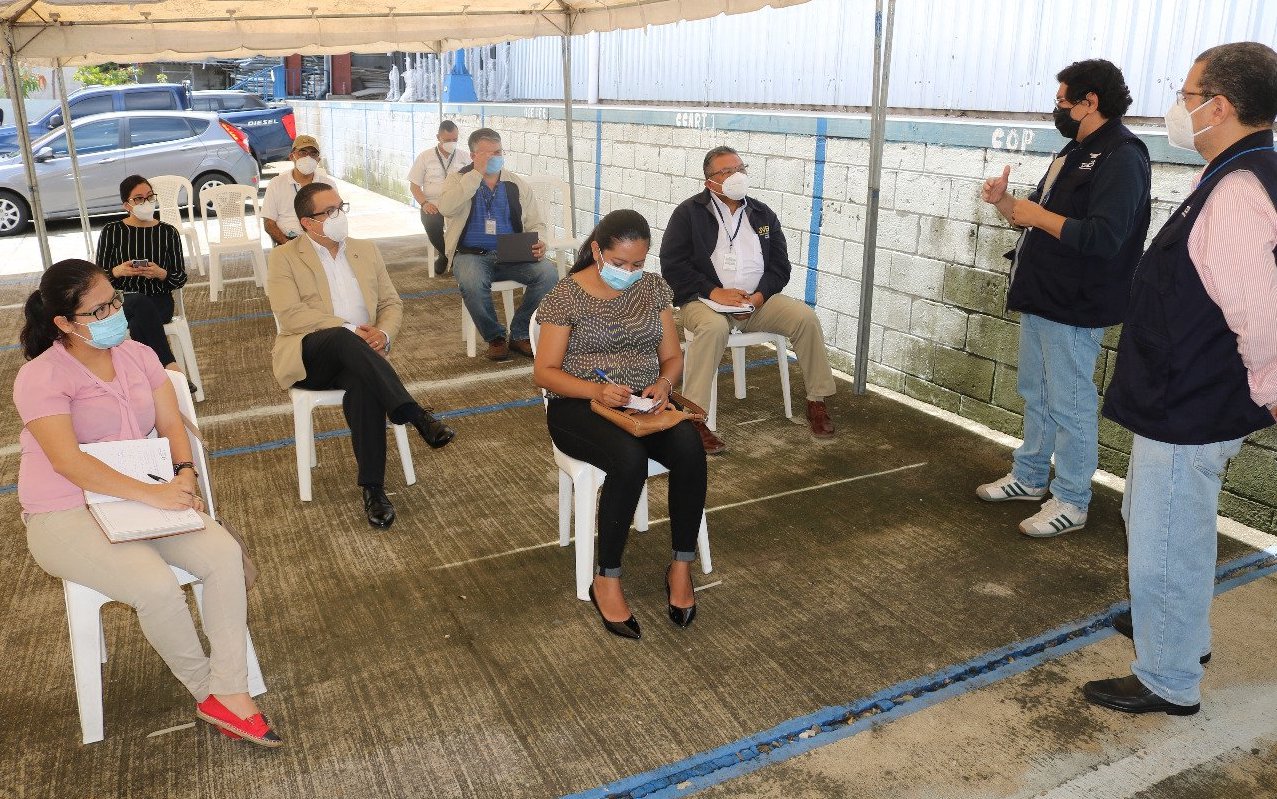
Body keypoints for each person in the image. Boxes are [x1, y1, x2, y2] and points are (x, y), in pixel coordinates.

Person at [1082, 42, 1277, 717]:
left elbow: (1259, 313)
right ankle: (1174, 630)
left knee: (1166, 535)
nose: (1178, 105)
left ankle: (1167, 676)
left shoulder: (1239, 189)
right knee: (1160, 519)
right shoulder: (1239, 172)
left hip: (1192, 398)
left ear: (1218, 107)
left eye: (1187, 94)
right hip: (1185, 391)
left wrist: (1270, 390)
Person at [14, 259, 282, 747]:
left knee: (223, 555)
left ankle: (231, 688)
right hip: (64, 510)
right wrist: (156, 495)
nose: (115, 313)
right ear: (64, 324)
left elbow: (172, 425)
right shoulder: (41, 376)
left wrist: (184, 476)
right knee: (156, 587)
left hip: (141, 498)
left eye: (114, 300)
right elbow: (68, 463)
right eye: (99, 310)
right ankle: (208, 692)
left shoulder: (137, 354)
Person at [977, 59, 1151, 538]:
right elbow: (1035, 217)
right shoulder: (1073, 152)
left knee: (1070, 403)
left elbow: (1105, 237)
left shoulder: (1123, 155)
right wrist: (1006, 202)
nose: (1056, 109)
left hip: (1077, 304)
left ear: (1089, 102)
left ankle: (1072, 499)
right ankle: (1031, 476)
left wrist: (1035, 214)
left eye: (1062, 101)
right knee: (1036, 392)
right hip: (1043, 295)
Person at [533, 210, 707, 640]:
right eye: (620, 263)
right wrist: (596, 391)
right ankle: (606, 577)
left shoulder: (653, 289)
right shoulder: (566, 296)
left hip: (641, 402)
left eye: (638, 263)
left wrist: (664, 384)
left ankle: (680, 566)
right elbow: (545, 372)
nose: (629, 272)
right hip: (578, 404)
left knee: (690, 448)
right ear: (597, 250)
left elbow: (672, 357)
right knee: (628, 461)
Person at [267, 182, 456, 530]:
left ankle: (374, 489)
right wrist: (351, 330)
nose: (339, 216)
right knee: (341, 336)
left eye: (341, 207)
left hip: (360, 358)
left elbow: (391, 303)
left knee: (364, 385)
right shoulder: (284, 257)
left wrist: (383, 334)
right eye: (329, 211)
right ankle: (415, 414)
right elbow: (291, 315)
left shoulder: (365, 250)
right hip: (311, 356)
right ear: (308, 222)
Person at [660, 145, 837, 455]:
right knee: (713, 328)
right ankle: (693, 417)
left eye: (740, 169)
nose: (737, 176)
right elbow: (673, 265)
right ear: (710, 181)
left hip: (755, 302)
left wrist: (758, 297)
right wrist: (714, 292)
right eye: (727, 171)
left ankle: (817, 400)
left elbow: (780, 267)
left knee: (805, 318)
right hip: (703, 302)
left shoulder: (762, 214)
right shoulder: (688, 213)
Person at [438, 127, 559, 362]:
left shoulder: (515, 183)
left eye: (499, 152)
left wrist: (541, 241)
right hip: (471, 254)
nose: (495, 157)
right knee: (472, 282)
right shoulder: (457, 179)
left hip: (512, 253)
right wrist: (475, 175)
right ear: (473, 155)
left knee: (548, 274)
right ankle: (495, 337)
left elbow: (537, 222)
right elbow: (446, 208)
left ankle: (520, 332)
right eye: (488, 154)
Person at [95, 174, 190, 387]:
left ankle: (152, 378)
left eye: (149, 196)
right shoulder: (112, 231)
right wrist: (117, 271)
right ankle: (169, 368)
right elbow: (97, 279)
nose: (146, 202)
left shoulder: (168, 232)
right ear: (126, 205)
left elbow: (180, 278)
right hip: (120, 303)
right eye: (138, 198)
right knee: (137, 303)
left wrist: (161, 273)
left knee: (139, 318)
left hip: (159, 301)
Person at [407, 120, 470, 275]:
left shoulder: (464, 157)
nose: (452, 143)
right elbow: (414, 186)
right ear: (438, 137)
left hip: (457, 203)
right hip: (433, 203)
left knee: (470, 222)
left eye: (455, 139)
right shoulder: (425, 157)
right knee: (431, 221)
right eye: (447, 140)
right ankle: (451, 256)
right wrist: (424, 203)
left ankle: (444, 257)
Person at [262, 134, 326, 246]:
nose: (308, 157)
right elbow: (268, 223)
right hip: (287, 241)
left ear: (318, 160)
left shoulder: (327, 185)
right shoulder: (276, 184)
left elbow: (335, 218)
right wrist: (287, 244)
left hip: (320, 242)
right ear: (292, 156)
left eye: (313, 154)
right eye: (303, 152)